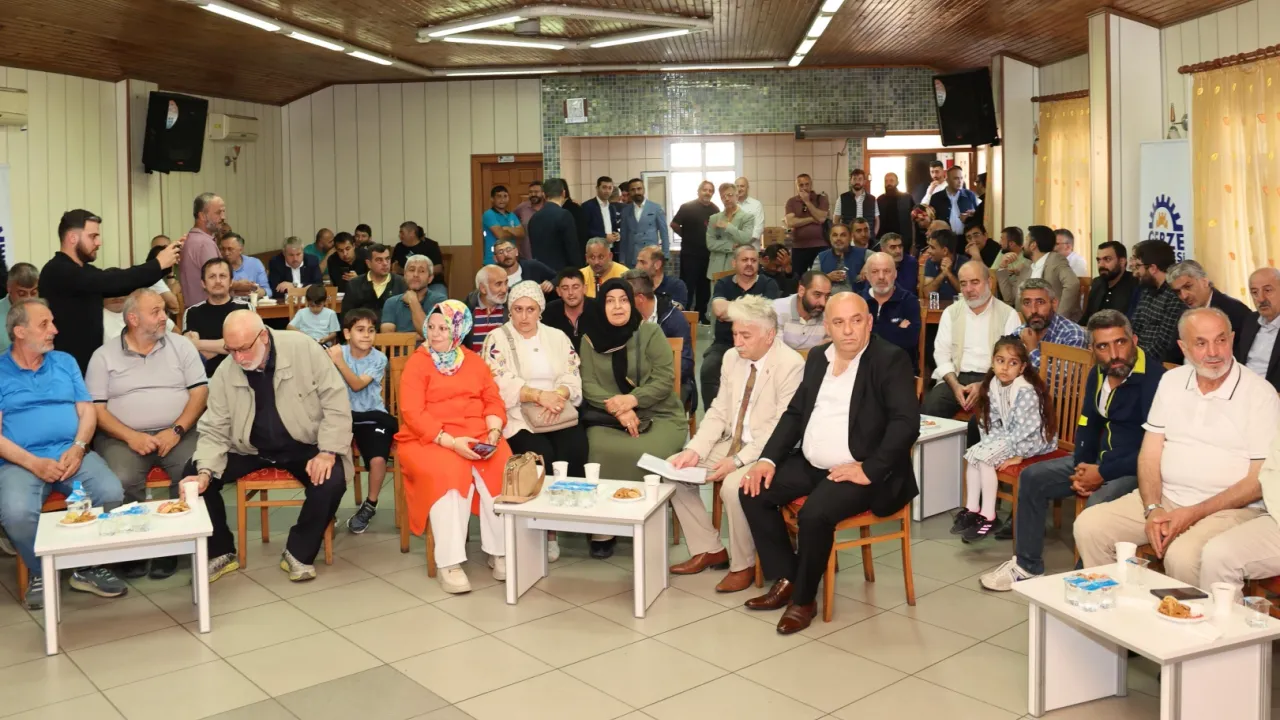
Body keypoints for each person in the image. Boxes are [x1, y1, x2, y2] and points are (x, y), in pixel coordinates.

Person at [740, 292, 920, 634]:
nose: (848, 330)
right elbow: (795, 414)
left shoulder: (889, 359)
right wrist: (767, 459)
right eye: (839, 322)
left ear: (869, 322)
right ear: (827, 326)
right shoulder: (818, 357)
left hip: (862, 469)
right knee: (752, 490)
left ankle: (804, 600)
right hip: (813, 463)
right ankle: (790, 577)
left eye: (856, 321)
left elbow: (906, 424)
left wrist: (869, 469)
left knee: (814, 515)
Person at [1074, 308, 1280, 586]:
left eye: (1220, 340)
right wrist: (1153, 507)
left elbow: (1257, 481)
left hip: (1229, 509)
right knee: (1090, 526)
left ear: (1232, 339)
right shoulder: (1172, 381)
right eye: (1201, 343)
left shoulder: (1259, 394)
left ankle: (1193, 614)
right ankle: (1112, 604)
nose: (1213, 352)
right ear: (1183, 347)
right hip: (1167, 497)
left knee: (1182, 556)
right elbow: (1149, 455)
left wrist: (1192, 513)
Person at [981, 311, 1164, 590]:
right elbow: (1088, 422)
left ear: (1134, 340)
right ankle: (1027, 566)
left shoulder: (1155, 381)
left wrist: (1101, 473)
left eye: (1121, 342)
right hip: (1098, 462)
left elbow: (1152, 451)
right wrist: (1082, 465)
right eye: (1103, 346)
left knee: (1097, 504)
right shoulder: (1098, 373)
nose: (1114, 353)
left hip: (1135, 470)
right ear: (1093, 349)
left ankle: (1085, 578)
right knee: (1032, 478)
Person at [181, 310, 353, 584]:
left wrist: (327, 451)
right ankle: (220, 551)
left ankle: (299, 551)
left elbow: (336, 402)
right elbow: (214, 428)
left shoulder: (303, 349)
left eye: (243, 349)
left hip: (303, 443)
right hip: (249, 448)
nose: (238, 358)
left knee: (332, 479)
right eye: (231, 350)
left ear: (263, 336)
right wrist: (205, 472)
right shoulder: (226, 372)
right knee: (193, 474)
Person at [667, 296, 805, 591]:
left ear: (769, 335)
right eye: (735, 334)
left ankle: (743, 564)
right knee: (673, 470)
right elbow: (718, 410)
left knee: (734, 486)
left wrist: (738, 462)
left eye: (745, 336)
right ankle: (709, 548)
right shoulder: (732, 358)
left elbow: (780, 429)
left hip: (768, 451)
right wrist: (694, 449)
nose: (738, 342)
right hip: (732, 439)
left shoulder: (791, 365)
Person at [0, 298, 129, 609]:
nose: (54, 330)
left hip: (71, 453)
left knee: (110, 492)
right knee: (16, 513)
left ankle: (87, 566)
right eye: (44, 324)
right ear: (19, 331)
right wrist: (33, 463)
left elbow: (87, 411)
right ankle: (40, 570)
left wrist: (79, 447)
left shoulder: (65, 362)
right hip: (20, 461)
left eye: (52, 322)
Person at [87, 289, 207, 579]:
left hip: (179, 432)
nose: (164, 316)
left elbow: (200, 393)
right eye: (155, 312)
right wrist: (131, 436)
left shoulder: (181, 346)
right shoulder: (103, 356)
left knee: (191, 472)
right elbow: (96, 410)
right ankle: (133, 548)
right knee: (120, 479)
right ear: (133, 319)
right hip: (122, 437)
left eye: (163, 310)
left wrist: (176, 430)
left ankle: (173, 546)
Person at [397, 301, 510, 593]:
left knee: (501, 467)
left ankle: (500, 551)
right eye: (431, 327)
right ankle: (449, 562)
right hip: (428, 438)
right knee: (448, 475)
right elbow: (412, 413)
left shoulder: (474, 361)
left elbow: (492, 399)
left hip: (478, 432)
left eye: (443, 328)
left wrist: (494, 431)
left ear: (458, 331)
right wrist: (450, 441)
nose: (434, 334)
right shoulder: (418, 363)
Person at [579, 279, 687, 558]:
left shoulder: (649, 332)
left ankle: (646, 523)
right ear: (601, 305)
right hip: (608, 416)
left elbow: (664, 379)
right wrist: (620, 408)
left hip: (660, 413)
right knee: (598, 449)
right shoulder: (589, 339)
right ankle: (603, 530)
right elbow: (588, 385)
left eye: (623, 300)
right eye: (610, 300)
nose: (618, 306)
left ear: (632, 302)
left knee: (650, 453)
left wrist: (632, 400)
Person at [483, 281, 586, 562]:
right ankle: (541, 531)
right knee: (540, 456)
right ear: (510, 311)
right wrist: (538, 396)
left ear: (540, 310)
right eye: (518, 309)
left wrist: (557, 396)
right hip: (518, 414)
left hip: (557, 411)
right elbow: (497, 381)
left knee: (574, 449)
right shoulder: (497, 338)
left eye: (531, 309)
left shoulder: (556, 336)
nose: (524, 316)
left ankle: (557, 524)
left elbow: (572, 374)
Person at [40, 209, 179, 373]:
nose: (99, 242)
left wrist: (164, 264)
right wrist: (158, 264)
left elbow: (126, 283)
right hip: (64, 371)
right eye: (93, 236)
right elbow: (115, 281)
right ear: (72, 238)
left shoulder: (85, 271)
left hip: (86, 368)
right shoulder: (57, 271)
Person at [952, 337, 1057, 542]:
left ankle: (989, 516)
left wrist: (1019, 454)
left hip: (1033, 440)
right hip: (1010, 434)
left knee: (985, 460)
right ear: (992, 362)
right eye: (1000, 361)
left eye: (1013, 363)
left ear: (1022, 367)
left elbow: (1028, 428)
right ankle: (972, 509)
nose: (1005, 368)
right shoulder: (993, 384)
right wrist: (986, 443)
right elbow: (990, 419)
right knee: (973, 455)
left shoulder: (1025, 390)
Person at [922, 261, 1021, 418]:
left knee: (986, 418)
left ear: (989, 282)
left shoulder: (1008, 315)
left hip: (994, 379)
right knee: (931, 408)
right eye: (963, 284)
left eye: (975, 282)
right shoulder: (951, 313)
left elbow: (1012, 361)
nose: (968, 289)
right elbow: (941, 353)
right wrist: (955, 386)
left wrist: (984, 385)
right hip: (956, 376)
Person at [330, 309, 397, 535]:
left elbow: (357, 385)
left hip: (371, 415)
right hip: (342, 416)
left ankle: (370, 504)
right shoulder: (337, 353)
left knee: (378, 458)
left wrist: (338, 362)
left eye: (371, 330)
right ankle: (327, 507)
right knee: (328, 456)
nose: (367, 335)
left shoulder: (378, 358)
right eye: (360, 330)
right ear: (347, 333)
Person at [702, 246, 781, 410]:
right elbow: (718, 310)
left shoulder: (769, 284)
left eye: (753, 260)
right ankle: (715, 417)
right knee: (708, 369)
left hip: (760, 346)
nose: (749, 264)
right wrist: (753, 308)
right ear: (734, 263)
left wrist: (731, 309)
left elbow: (766, 315)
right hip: (725, 344)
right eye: (744, 260)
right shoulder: (723, 283)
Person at [625, 271, 695, 408]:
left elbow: (685, 363)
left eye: (625, 298)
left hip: (671, 383)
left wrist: (653, 382)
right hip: (634, 382)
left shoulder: (674, 318)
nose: (621, 304)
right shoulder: (624, 318)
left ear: (640, 299)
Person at [1167, 260, 1252, 359]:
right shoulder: (1184, 311)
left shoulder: (1236, 311)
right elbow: (1173, 354)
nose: (1184, 296)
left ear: (1205, 281)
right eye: (1178, 292)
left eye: (1188, 287)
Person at [996, 225, 1082, 322]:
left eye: (1026, 240)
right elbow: (1010, 298)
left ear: (1033, 245)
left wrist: (1059, 318)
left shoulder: (1056, 260)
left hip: (1051, 322)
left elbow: (1072, 284)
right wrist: (1002, 267)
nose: (1023, 246)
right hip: (1026, 321)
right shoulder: (1027, 266)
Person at [183, 258, 248, 378]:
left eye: (222, 276)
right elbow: (191, 350)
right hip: (206, 378)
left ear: (231, 282)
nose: (218, 281)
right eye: (212, 276)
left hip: (241, 376)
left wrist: (199, 344)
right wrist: (226, 347)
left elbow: (244, 345)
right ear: (203, 283)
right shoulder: (192, 312)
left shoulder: (245, 308)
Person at [1129, 239, 1186, 364]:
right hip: (1136, 359)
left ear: (1153, 268)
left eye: (1138, 266)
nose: (1135, 273)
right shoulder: (1147, 290)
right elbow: (1134, 327)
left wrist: (1136, 361)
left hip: (1156, 365)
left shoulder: (1174, 295)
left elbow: (1163, 345)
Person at [860, 252, 921, 369]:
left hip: (899, 367)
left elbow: (910, 340)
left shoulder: (909, 301)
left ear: (895, 274)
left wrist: (870, 331)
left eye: (887, 271)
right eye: (875, 271)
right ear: (867, 275)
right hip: (864, 367)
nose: (881, 277)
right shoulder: (858, 301)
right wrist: (896, 330)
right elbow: (854, 340)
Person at [1015, 278, 1089, 371]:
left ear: (1054, 304)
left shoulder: (1072, 335)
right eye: (1027, 303)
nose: (1033, 310)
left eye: (1040, 302)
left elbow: (1063, 378)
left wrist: (1032, 350)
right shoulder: (1018, 333)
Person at [670, 181, 718, 314]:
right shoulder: (687, 207)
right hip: (689, 255)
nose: (707, 193)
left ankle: (701, 315)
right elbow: (674, 224)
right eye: (705, 190)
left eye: (710, 190)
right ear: (698, 191)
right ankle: (684, 315)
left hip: (707, 256)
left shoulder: (715, 210)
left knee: (704, 289)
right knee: (687, 287)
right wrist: (685, 235)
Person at [1236, 267, 1280, 391]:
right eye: (1254, 292)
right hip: (1242, 390)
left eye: (1268, 290)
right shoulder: (1250, 320)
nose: (1261, 298)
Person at [178, 193, 225, 309]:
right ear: (203, 216)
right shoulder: (204, 243)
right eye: (218, 212)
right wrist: (240, 285)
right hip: (209, 311)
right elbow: (217, 282)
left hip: (195, 311)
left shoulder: (190, 239)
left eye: (224, 212)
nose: (223, 217)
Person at [380, 255, 446, 339]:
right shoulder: (391, 302)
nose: (415, 274)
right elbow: (387, 338)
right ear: (404, 275)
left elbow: (431, 334)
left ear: (430, 278)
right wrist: (418, 336)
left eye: (421, 271)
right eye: (411, 270)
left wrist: (413, 301)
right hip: (398, 348)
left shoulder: (439, 301)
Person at [706, 182, 756, 289]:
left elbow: (746, 238)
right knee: (715, 298)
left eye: (729, 195)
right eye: (723, 196)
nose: (726, 199)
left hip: (737, 268)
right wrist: (730, 245)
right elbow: (710, 243)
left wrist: (728, 226)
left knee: (736, 298)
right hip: (716, 268)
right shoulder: (714, 218)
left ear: (737, 196)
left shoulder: (747, 217)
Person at [527, 178, 582, 270]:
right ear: (563, 193)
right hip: (561, 272)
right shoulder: (564, 215)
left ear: (544, 195)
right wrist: (578, 269)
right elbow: (572, 248)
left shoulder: (534, 218)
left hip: (540, 271)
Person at [784, 174, 831, 279]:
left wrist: (807, 201)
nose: (804, 188)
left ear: (811, 184)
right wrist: (811, 219)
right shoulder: (791, 202)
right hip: (798, 246)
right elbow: (790, 222)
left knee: (821, 277)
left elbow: (821, 218)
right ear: (796, 186)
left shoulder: (821, 198)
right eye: (801, 185)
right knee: (798, 278)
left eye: (807, 184)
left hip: (820, 246)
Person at [773, 271, 831, 352]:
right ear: (801, 291)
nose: (823, 303)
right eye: (817, 294)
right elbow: (776, 352)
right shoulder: (777, 310)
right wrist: (815, 351)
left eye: (827, 296)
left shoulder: (831, 309)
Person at [341, 245, 407, 316]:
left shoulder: (401, 283)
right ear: (368, 264)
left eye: (387, 259)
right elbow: (346, 316)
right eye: (379, 260)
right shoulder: (354, 285)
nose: (385, 263)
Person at [1083, 241, 1138, 323]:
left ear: (1122, 261)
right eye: (1098, 260)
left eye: (1107, 259)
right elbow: (1087, 318)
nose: (1101, 265)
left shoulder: (1135, 284)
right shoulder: (1097, 283)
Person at [619, 178, 670, 265]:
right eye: (633, 190)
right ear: (629, 192)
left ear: (644, 190)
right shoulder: (625, 211)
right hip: (632, 257)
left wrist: (665, 255)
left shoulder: (656, 208)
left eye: (639, 189)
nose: (636, 192)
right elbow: (624, 237)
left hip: (651, 257)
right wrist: (622, 259)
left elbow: (664, 234)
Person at [544, 268, 593, 352]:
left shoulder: (598, 309)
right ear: (558, 291)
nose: (570, 292)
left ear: (585, 289)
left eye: (575, 287)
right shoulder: (548, 312)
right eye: (565, 288)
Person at [465, 265, 509, 352]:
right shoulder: (466, 311)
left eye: (506, 283)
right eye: (498, 284)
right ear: (483, 288)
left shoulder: (513, 309)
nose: (504, 290)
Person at [813, 223, 866, 294]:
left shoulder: (863, 253)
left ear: (850, 237)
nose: (838, 239)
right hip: (829, 298)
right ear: (830, 238)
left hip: (857, 296)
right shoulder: (821, 257)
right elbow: (812, 280)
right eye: (835, 235)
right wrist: (827, 277)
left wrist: (868, 265)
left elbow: (879, 257)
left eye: (843, 235)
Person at [920, 229, 970, 304]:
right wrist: (943, 274)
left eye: (932, 247)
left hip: (960, 308)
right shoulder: (930, 262)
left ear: (945, 251)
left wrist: (949, 274)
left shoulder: (965, 263)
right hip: (937, 309)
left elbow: (967, 293)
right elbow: (927, 294)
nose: (928, 251)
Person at [482, 185, 526, 265]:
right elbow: (501, 235)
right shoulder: (489, 214)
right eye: (499, 196)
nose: (502, 200)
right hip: (493, 260)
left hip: (511, 259)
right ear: (492, 199)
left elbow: (522, 233)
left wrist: (508, 229)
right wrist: (514, 232)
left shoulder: (512, 215)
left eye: (505, 196)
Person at [0, 262, 39, 353]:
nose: (29, 298)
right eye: (22, 294)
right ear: (9, 289)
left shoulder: (45, 312)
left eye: (33, 293)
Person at [582, 176, 623, 260]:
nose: (607, 191)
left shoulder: (611, 208)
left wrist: (617, 234)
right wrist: (604, 237)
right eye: (604, 187)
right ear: (597, 188)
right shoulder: (587, 206)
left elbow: (614, 227)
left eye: (610, 188)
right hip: (595, 250)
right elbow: (584, 229)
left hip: (611, 249)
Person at [928, 166, 979, 234]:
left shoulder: (970, 195)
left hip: (966, 237)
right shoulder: (936, 198)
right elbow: (932, 220)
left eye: (961, 178)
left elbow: (978, 216)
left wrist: (973, 215)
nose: (960, 181)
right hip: (944, 238)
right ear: (947, 180)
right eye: (956, 178)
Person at [219, 233, 269, 299]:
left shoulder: (255, 263)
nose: (226, 253)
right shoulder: (217, 266)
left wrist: (261, 292)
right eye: (223, 249)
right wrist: (235, 287)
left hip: (252, 303)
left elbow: (268, 291)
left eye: (230, 249)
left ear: (241, 250)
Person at [834, 169, 878, 235]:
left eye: (860, 179)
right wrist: (841, 234)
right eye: (854, 179)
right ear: (850, 181)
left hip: (867, 238)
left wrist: (873, 234)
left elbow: (877, 220)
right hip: (849, 237)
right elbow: (836, 219)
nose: (857, 182)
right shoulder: (842, 198)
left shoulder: (872, 199)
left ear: (864, 181)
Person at [876, 172, 914, 241]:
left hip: (904, 238)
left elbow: (914, 218)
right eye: (886, 181)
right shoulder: (880, 200)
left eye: (891, 180)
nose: (888, 183)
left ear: (897, 182)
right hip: (885, 239)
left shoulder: (907, 198)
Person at [734, 177, 766, 246]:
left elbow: (758, 229)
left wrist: (743, 243)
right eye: (737, 186)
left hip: (752, 248)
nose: (739, 189)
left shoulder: (756, 204)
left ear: (747, 188)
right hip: (734, 249)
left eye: (742, 186)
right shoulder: (730, 205)